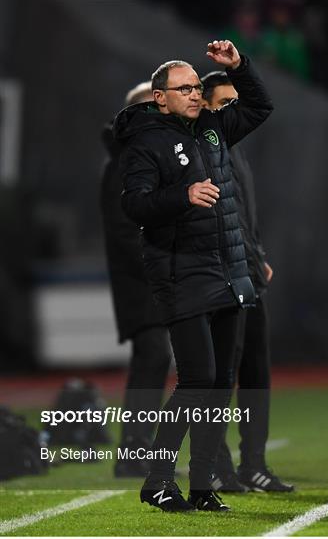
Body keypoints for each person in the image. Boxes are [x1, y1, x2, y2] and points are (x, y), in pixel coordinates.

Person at [113, 40, 273, 512]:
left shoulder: (211, 129)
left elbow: (261, 105)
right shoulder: (145, 142)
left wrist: (239, 67)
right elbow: (134, 205)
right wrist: (182, 196)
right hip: (181, 271)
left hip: (225, 268)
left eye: (196, 88)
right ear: (159, 97)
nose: (194, 95)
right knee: (197, 378)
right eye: (183, 89)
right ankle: (158, 478)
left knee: (221, 382)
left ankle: (202, 484)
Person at [201, 71, 294, 493]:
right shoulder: (201, 147)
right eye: (223, 104)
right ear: (204, 106)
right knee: (220, 373)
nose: (231, 112)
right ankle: (214, 464)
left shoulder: (233, 151)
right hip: (220, 276)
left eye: (233, 104)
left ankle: (253, 463)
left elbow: (244, 215)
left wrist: (258, 257)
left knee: (256, 371)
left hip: (249, 272)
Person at [101, 82, 173, 478]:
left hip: (147, 276)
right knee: (154, 355)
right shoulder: (126, 163)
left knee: (153, 358)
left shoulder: (135, 158)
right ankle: (133, 450)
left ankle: (135, 448)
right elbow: (126, 230)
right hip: (140, 279)